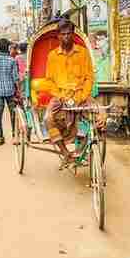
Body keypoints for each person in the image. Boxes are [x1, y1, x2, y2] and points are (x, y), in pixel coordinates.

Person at [43, 19, 104, 163]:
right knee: (47, 119)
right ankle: (64, 152)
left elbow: (89, 78)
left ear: (73, 34)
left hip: (81, 95)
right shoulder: (52, 56)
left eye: (69, 34)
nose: (66, 37)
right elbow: (49, 81)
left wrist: (82, 96)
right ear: (58, 36)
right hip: (60, 97)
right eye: (63, 34)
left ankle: (81, 149)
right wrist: (61, 96)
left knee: (101, 115)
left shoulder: (83, 53)